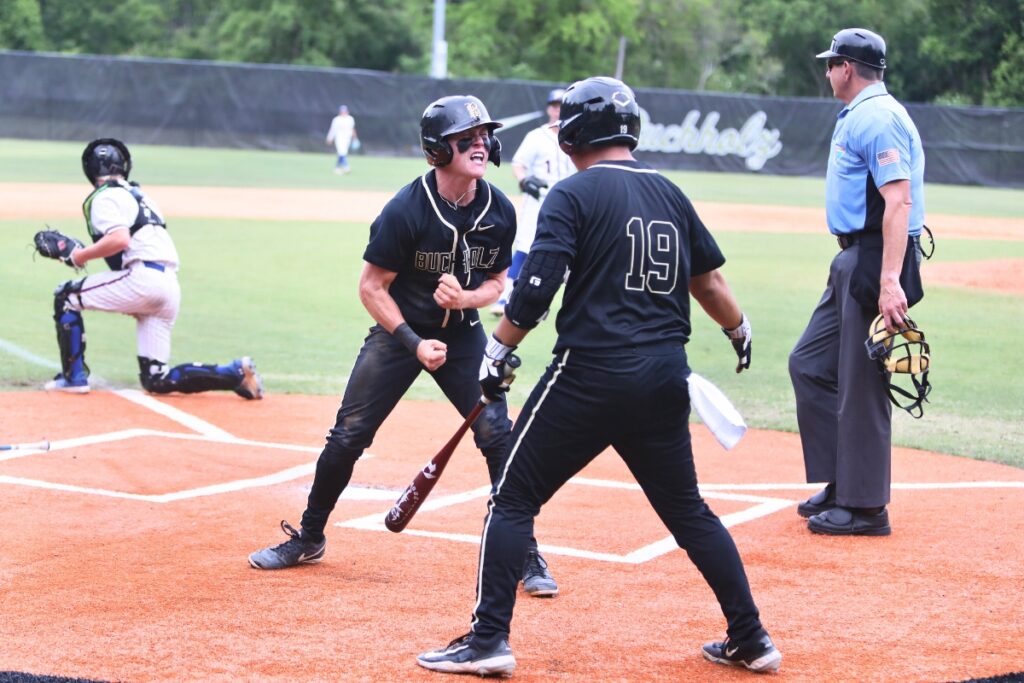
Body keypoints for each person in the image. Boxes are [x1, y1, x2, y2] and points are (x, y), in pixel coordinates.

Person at [417, 76, 780, 677]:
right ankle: (752, 636)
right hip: (666, 375)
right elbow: (709, 283)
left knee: (511, 497)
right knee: (690, 511)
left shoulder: (572, 193)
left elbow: (537, 286)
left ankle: (488, 641)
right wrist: (739, 330)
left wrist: (497, 350)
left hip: (589, 375)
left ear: (577, 132)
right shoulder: (669, 192)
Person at [249, 94, 559, 598]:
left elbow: (499, 281)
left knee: (499, 437)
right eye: (467, 137)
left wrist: (467, 296)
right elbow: (372, 287)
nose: (480, 144)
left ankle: (523, 551)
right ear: (439, 149)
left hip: (462, 337)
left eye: (483, 136)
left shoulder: (499, 210)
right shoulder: (406, 209)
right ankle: (309, 536)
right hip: (400, 334)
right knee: (348, 435)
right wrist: (413, 343)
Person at [790, 28, 925, 536]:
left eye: (831, 64)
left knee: (862, 384)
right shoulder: (862, 114)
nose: (827, 72)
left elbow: (898, 201)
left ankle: (866, 506)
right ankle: (843, 480)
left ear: (847, 68)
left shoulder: (878, 117)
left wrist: (890, 281)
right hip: (855, 257)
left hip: (875, 258)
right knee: (811, 364)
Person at [44, 138, 264, 400]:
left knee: (66, 296)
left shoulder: (105, 197)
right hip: (168, 285)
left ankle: (73, 379)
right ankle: (235, 373)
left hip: (143, 280)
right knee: (156, 379)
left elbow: (119, 240)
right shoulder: (140, 196)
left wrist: (78, 256)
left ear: (90, 169)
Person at [490, 87, 576, 316]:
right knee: (526, 246)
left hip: (571, 203)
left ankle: (562, 303)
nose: (558, 110)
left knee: (574, 251)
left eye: (562, 105)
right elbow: (518, 164)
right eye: (555, 105)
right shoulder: (537, 136)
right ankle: (505, 297)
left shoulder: (576, 135)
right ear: (549, 108)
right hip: (539, 200)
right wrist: (525, 181)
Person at [326, 105, 358, 174]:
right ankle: (346, 167)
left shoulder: (350, 119)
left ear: (347, 111)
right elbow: (333, 130)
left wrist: (355, 138)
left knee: (343, 153)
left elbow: (352, 129)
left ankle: (336, 168)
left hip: (347, 139)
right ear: (340, 112)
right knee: (342, 152)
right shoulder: (336, 119)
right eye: (342, 112)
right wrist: (329, 138)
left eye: (345, 111)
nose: (344, 113)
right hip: (339, 139)